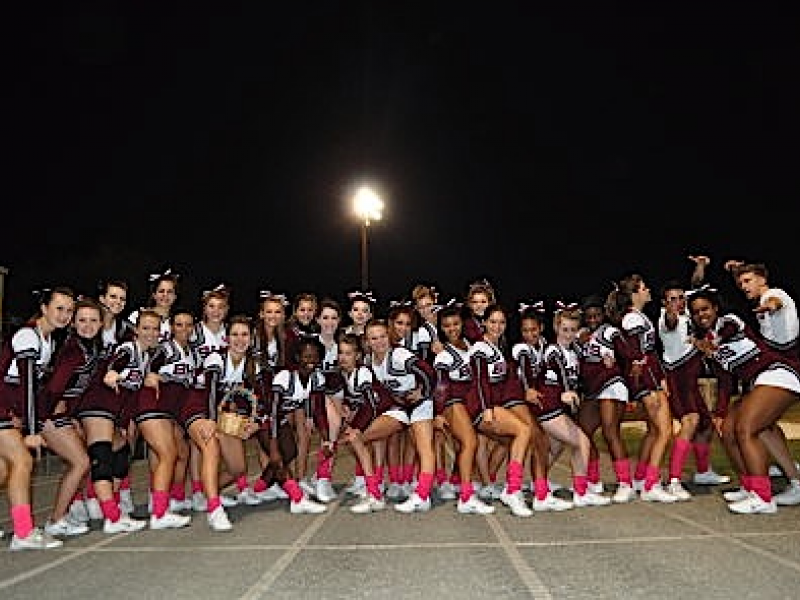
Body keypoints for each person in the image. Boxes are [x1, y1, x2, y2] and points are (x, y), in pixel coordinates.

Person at [688, 287, 800, 513]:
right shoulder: (710, 345)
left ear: (715, 308)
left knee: (746, 429)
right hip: (760, 382)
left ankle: (763, 497)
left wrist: (713, 345)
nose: (702, 314)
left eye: (705, 309)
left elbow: (728, 332)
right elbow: (725, 383)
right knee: (729, 430)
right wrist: (719, 413)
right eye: (696, 312)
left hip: (778, 372)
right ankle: (757, 485)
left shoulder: (729, 322)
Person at [0, 287, 76, 550]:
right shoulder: (27, 336)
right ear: (44, 308)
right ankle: (23, 533)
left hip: (7, 409)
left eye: (69, 310)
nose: (65, 315)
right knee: (22, 461)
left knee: (3, 470)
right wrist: (33, 429)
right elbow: (26, 384)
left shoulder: (48, 340)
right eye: (59, 308)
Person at [724, 260, 800, 506]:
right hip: (774, 373)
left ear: (762, 279)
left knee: (746, 428)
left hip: (784, 373)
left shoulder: (774, 294)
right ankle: (796, 482)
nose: (743, 286)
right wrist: (735, 269)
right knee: (764, 429)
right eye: (740, 283)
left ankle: (761, 497)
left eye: (748, 281)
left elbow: (777, 303)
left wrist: (769, 306)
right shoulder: (761, 301)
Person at [606, 274, 678, 503]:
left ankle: (640, 478)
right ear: (634, 293)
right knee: (665, 431)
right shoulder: (632, 320)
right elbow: (636, 357)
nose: (648, 290)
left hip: (650, 379)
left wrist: (660, 378)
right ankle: (651, 484)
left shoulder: (638, 317)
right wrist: (649, 387)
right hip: (647, 382)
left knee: (655, 431)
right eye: (644, 287)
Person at [532, 304, 612, 508]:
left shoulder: (574, 350)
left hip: (560, 407)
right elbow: (557, 371)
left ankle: (536, 487)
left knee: (553, 450)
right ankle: (581, 492)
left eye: (572, 330)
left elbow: (588, 359)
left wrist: (605, 356)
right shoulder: (553, 350)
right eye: (564, 329)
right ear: (556, 328)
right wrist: (565, 392)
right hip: (549, 406)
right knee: (582, 442)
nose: (569, 334)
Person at [39, 298, 106, 538]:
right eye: (82, 320)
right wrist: (40, 422)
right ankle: (56, 519)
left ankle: (66, 512)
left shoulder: (90, 348)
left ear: (101, 324)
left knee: (81, 461)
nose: (87, 325)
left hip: (60, 414)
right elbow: (54, 387)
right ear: (74, 324)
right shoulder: (72, 350)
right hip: (46, 414)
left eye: (93, 320)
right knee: (81, 463)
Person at [363, 318, 438, 513]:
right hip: (400, 407)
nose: (379, 342)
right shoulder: (369, 360)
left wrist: (424, 393)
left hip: (420, 404)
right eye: (374, 338)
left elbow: (428, 372)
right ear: (367, 341)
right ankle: (374, 485)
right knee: (363, 435)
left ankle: (422, 495)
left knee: (424, 447)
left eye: (382, 337)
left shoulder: (399, 355)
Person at [575, 295, 637, 504]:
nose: (593, 319)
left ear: (603, 315)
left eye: (597, 315)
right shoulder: (581, 336)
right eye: (589, 316)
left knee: (610, 432)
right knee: (583, 432)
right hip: (592, 390)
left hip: (612, 384)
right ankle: (593, 481)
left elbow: (628, 354)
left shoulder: (610, 332)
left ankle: (625, 483)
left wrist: (616, 361)